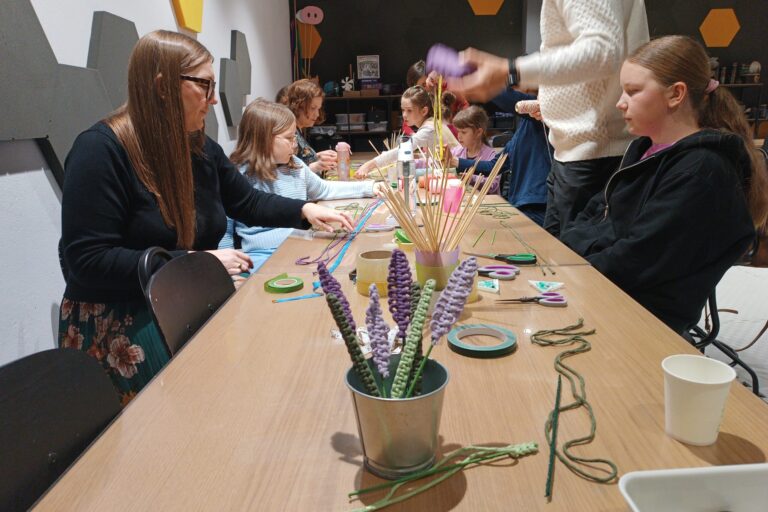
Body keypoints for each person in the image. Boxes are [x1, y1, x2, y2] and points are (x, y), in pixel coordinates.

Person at [58, 31, 352, 404]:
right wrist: (195, 263)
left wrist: (305, 210)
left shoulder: (198, 146)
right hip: (121, 323)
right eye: (205, 86)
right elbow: (87, 261)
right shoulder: (100, 150)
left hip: (183, 301)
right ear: (164, 86)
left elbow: (248, 202)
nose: (214, 99)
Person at [559, 35, 768, 334]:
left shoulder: (702, 172)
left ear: (676, 94)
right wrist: (562, 255)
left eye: (632, 91)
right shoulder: (642, 149)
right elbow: (596, 212)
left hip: (642, 321)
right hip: (604, 294)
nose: (620, 102)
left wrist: (568, 269)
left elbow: (636, 259)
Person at [444, 0, 649, 236]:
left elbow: (601, 51)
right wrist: (549, 103)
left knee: (575, 267)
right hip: (575, 154)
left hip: (592, 154)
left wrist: (509, 71)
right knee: (556, 261)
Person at [219, 99, 388, 272]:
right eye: (288, 138)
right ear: (263, 139)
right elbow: (224, 229)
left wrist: (369, 187)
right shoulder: (239, 175)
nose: (295, 144)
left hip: (302, 245)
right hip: (262, 257)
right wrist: (226, 271)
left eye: (295, 137)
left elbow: (324, 189)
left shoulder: (296, 165)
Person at [452, 90, 551, 226]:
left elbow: (512, 100)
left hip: (537, 204)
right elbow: (493, 166)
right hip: (521, 204)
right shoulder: (523, 127)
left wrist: (478, 82)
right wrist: (454, 161)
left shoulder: (538, 114)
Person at [355, 86, 459, 178]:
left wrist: (369, 165)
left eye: (409, 110)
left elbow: (403, 150)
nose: (404, 115)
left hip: (458, 173)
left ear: (424, 111)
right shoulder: (430, 123)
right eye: (402, 110)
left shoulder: (429, 129)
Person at [284, 79, 338, 175]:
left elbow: (300, 159)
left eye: (318, 109)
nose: (317, 114)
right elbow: (287, 172)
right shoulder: (288, 133)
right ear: (298, 106)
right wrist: (316, 166)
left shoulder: (298, 129)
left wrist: (317, 156)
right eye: (313, 108)